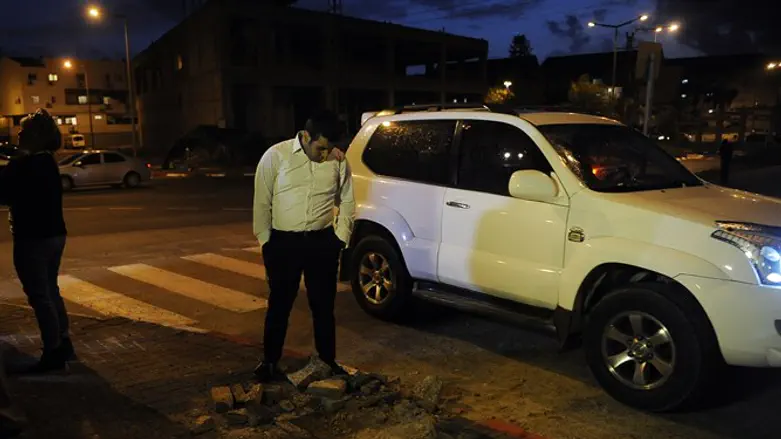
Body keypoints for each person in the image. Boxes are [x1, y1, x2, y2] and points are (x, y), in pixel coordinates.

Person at [252, 110, 354, 382]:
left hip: (322, 242)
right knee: (279, 304)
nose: (325, 154)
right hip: (284, 243)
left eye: (330, 149)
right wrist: (266, 242)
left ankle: (328, 361)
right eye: (321, 148)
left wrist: (340, 238)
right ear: (306, 136)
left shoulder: (338, 160)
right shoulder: (276, 156)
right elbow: (262, 202)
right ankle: (270, 362)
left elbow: (347, 199)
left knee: (323, 307)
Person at [0, 109, 73, 374]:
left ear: (37, 136)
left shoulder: (28, 164)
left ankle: (52, 352)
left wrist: (13, 163)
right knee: (50, 290)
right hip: (54, 234)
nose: (18, 133)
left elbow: (4, 191)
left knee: (40, 295)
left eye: (24, 130)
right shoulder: (46, 161)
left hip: (33, 237)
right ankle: (63, 342)